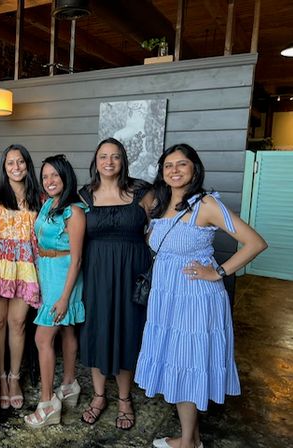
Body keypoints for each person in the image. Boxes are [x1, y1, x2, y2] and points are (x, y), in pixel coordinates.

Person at [135, 143, 267, 448]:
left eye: (182, 164)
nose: (175, 170)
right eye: (168, 165)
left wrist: (218, 272)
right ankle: (190, 436)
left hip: (195, 298)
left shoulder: (206, 205)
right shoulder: (160, 204)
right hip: (167, 296)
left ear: (194, 169)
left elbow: (254, 243)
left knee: (188, 362)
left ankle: (188, 443)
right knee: (178, 360)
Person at [78, 137, 153, 430]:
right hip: (96, 270)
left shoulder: (140, 192)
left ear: (123, 161)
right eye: (103, 157)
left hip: (132, 269)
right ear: (95, 162)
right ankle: (98, 397)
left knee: (127, 329)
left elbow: (157, 228)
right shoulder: (84, 195)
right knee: (97, 328)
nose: (109, 162)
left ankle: (124, 399)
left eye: (115, 157)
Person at [24, 155, 86, 428]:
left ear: (66, 177)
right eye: (45, 176)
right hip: (46, 270)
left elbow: (77, 259)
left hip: (64, 274)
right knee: (68, 330)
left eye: (55, 176)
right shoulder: (48, 204)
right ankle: (70, 384)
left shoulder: (75, 211)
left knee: (42, 338)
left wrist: (63, 298)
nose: (49, 181)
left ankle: (47, 403)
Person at [0, 144, 41, 410]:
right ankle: (0, 377)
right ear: (3, 167)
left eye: (20, 162)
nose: (15, 167)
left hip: (26, 265)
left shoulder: (38, 197)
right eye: (10, 163)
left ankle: (14, 378)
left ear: (27, 165)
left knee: (18, 323)